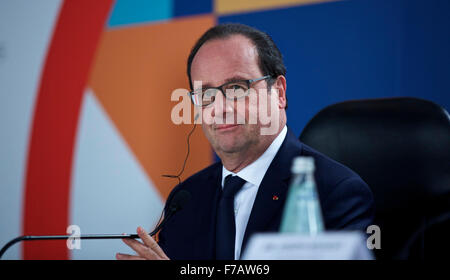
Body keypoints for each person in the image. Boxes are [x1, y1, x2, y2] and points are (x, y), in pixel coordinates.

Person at [116, 23, 374, 260]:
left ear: (279, 93)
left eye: (237, 88)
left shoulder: (335, 192)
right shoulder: (186, 200)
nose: (220, 108)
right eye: (205, 94)